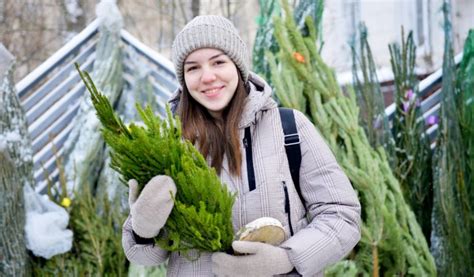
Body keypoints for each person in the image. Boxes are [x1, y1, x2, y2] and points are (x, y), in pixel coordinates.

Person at [122, 15, 361, 276]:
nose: (207, 77)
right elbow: (146, 255)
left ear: (237, 65)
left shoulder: (289, 128)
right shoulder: (168, 145)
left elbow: (341, 215)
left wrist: (286, 258)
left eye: (218, 62)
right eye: (193, 68)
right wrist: (143, 230)